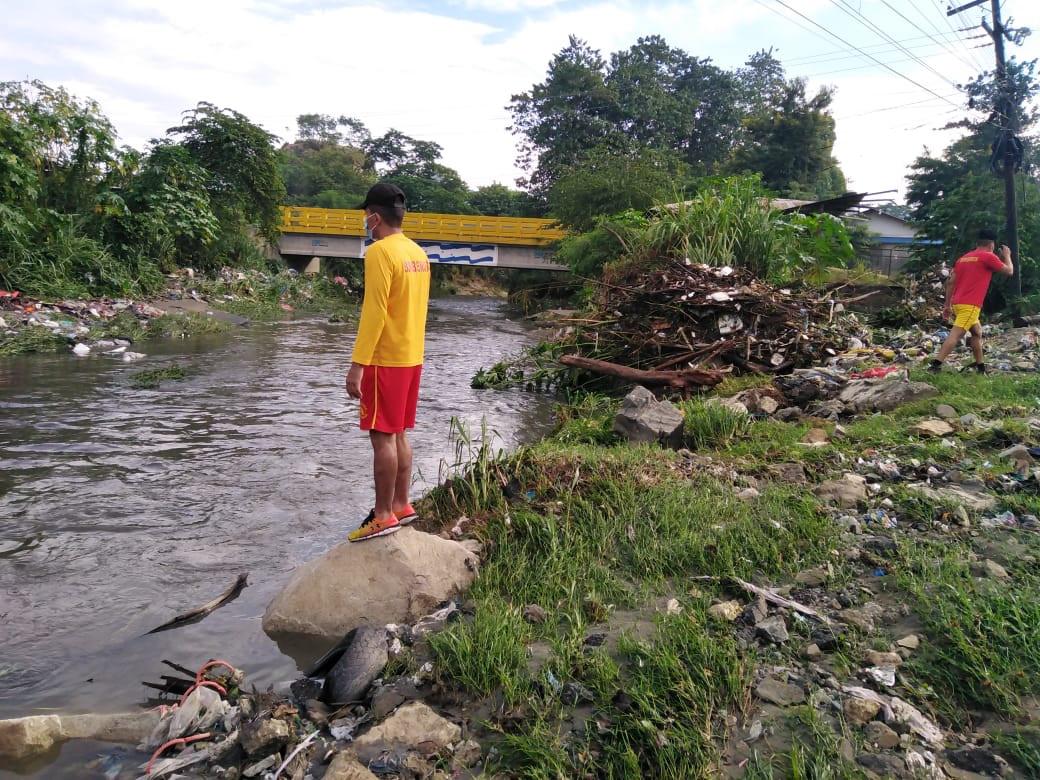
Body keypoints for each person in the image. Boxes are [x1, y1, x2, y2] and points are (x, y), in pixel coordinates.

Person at [344, 183, 431, 542]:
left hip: (384, 360)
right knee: (399, 433)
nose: (366, 222)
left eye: (366, 215)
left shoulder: (380, 253)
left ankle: (382, 515)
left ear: (375, 217)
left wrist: (357, 364)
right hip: (411, 358)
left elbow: (374, 312)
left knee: (382, 438)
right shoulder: (417, 253)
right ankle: (401, 505)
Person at [928, 228, 1013, 374]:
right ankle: (935, 366)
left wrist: (947, 305)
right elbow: (1009, 271)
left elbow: (950, 283)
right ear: (991, 244)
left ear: (977, 242)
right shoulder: (988, 256)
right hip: (970, 305)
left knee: (977, 332)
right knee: (956, 335)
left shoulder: (964, 258)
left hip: (958, 303)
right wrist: (1007, 256)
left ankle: (980, 367)